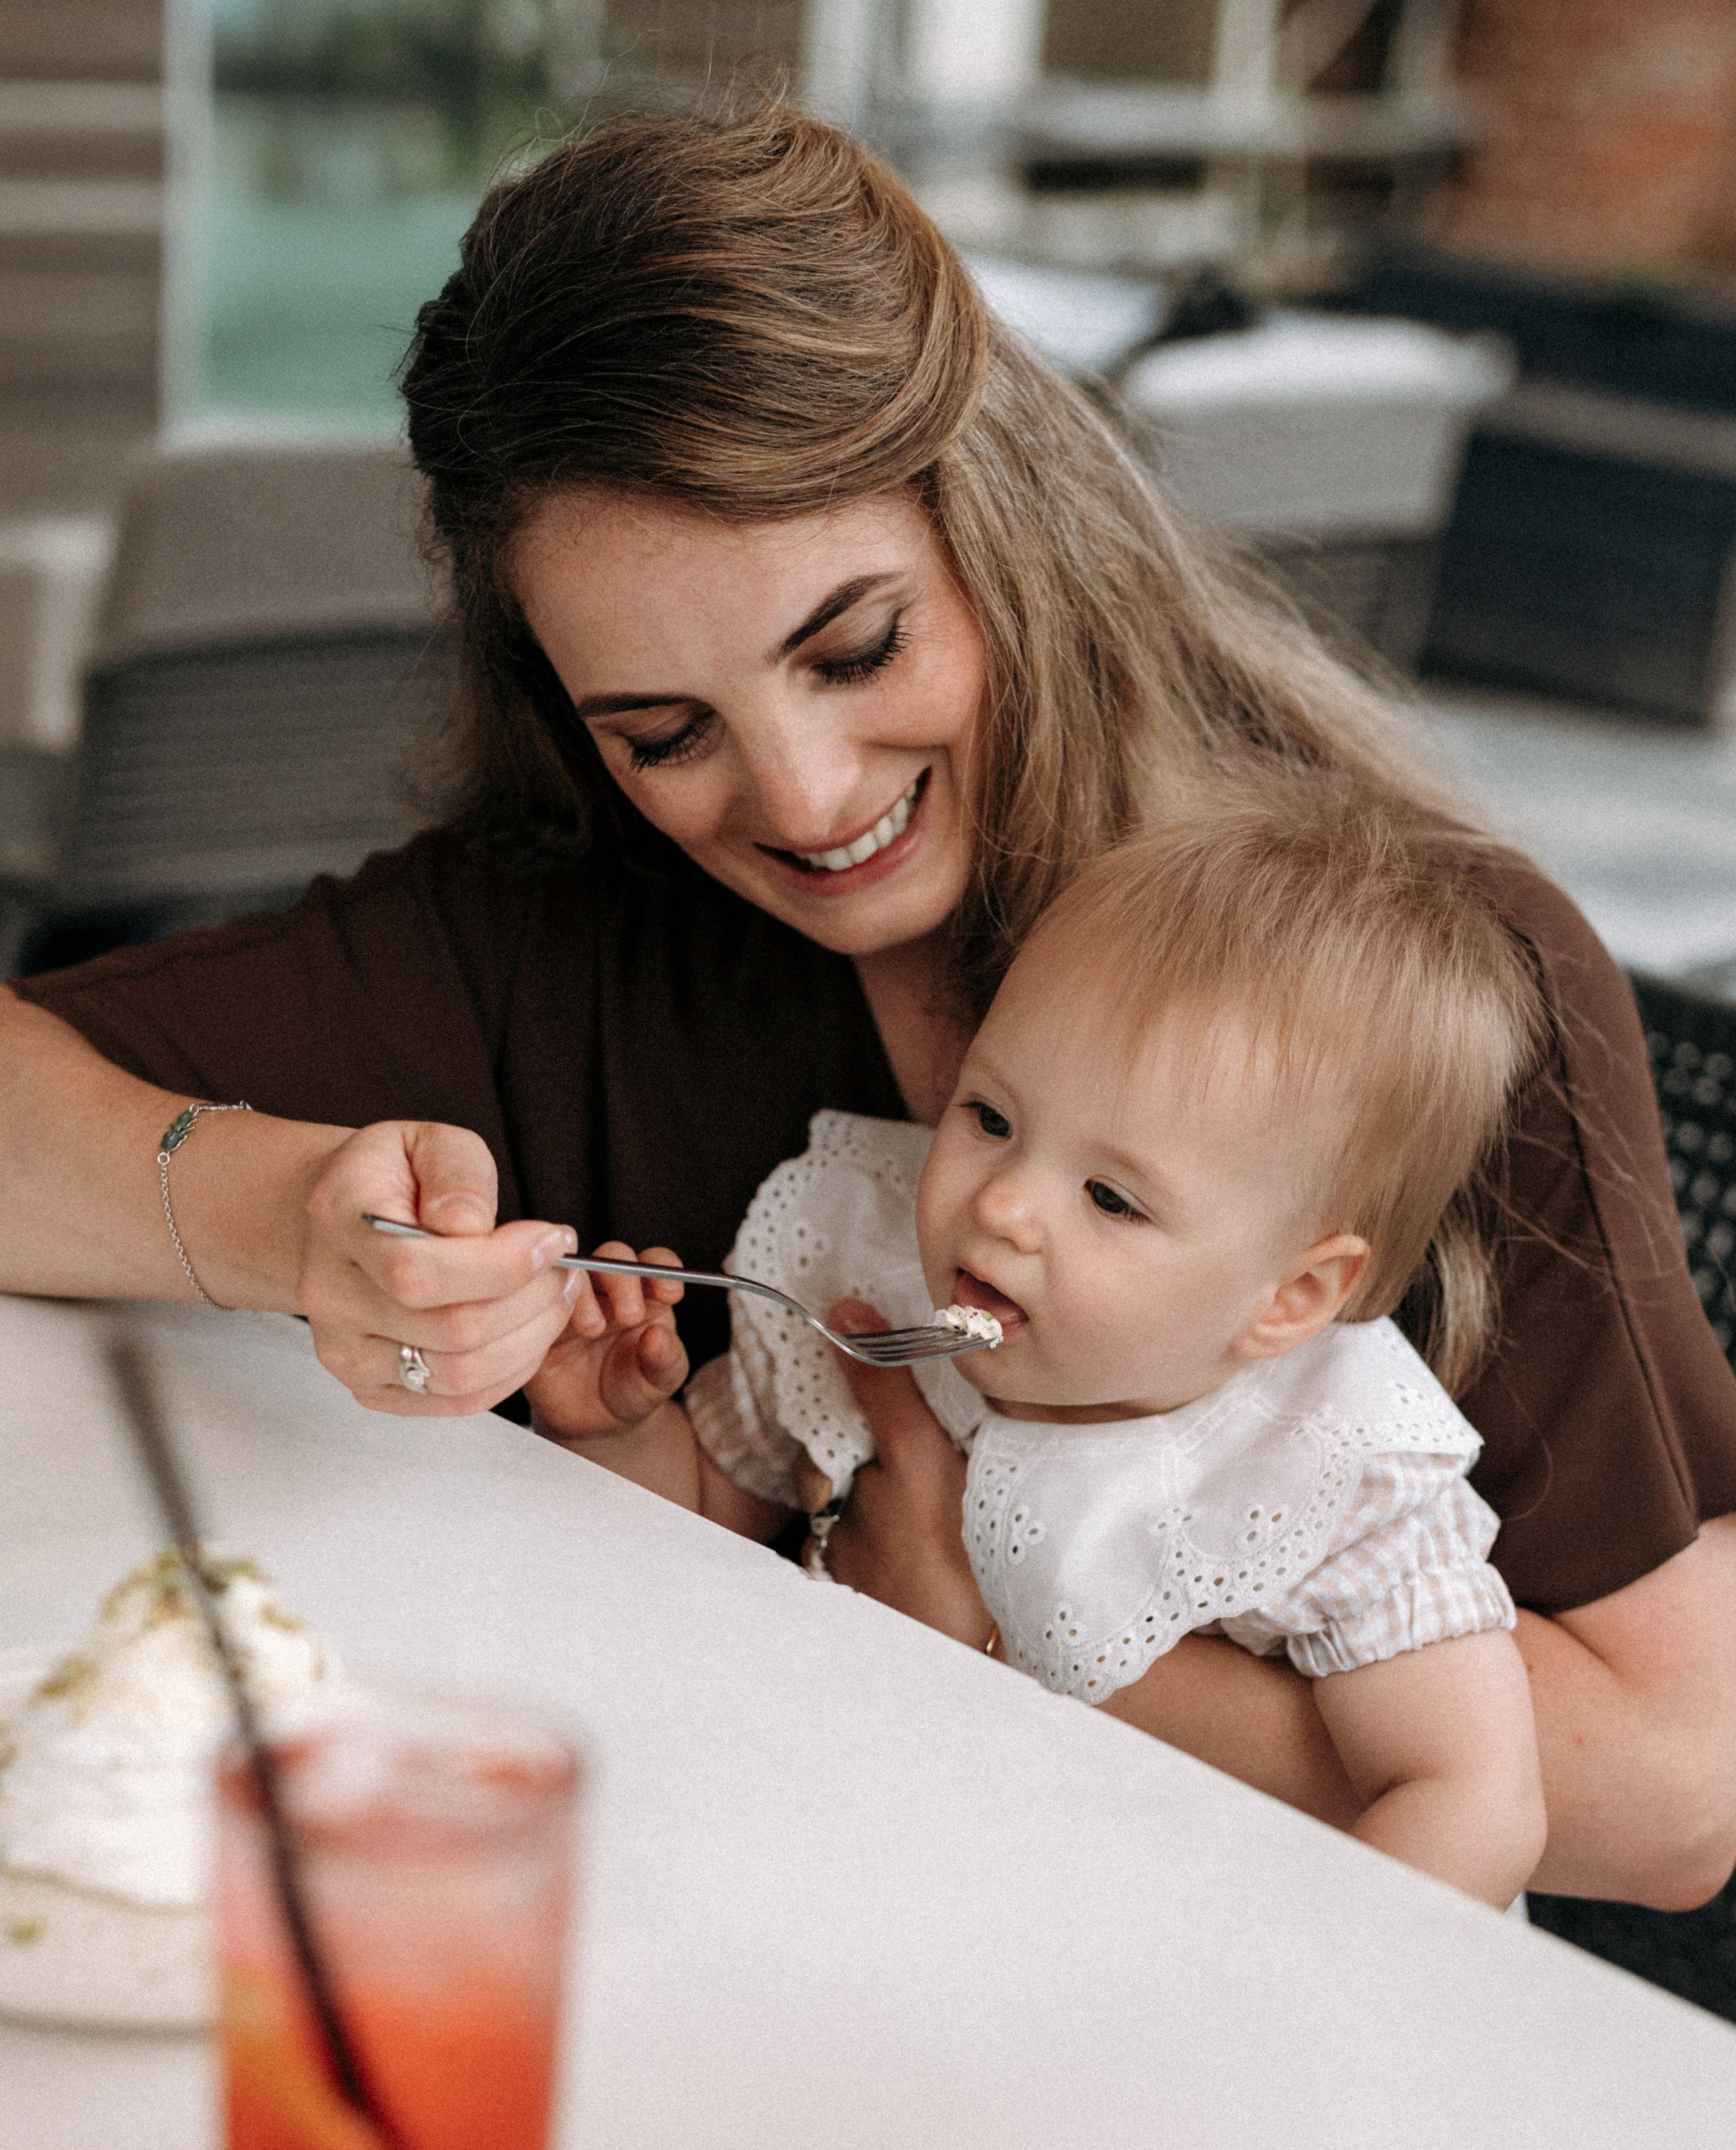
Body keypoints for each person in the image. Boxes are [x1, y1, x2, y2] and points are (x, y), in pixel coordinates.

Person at [1, 102, 1733, 1908]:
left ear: (1000, 523)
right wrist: (291, 1220)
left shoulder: (1419, 990)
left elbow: (1683, 1790)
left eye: (856, 649)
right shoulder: (562, 932)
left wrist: (985, 1621)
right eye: (663, 733)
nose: (806, 798)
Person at [516, 779, 1550, 1907]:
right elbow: (707, 1515)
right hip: (859, 1864)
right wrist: (615, 1434)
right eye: (991, 1117)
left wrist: (1290, 1984)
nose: (1003, 1206)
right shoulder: (868, 1285)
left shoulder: (1336, 1473)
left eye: (1110, 1197)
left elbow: (1471, 1799)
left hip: (1166, 1938)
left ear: (1290, 1297)